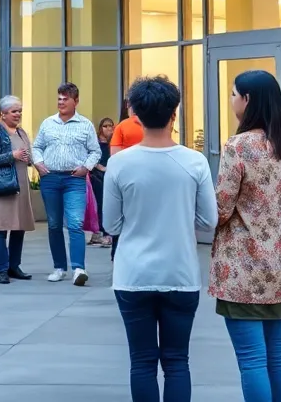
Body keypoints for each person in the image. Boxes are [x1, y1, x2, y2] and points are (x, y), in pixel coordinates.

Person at [103, 76, 216, 402]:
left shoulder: (119, 163)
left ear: (135, 113)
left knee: (141, 362)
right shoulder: (194, 161)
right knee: (178, 362)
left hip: (133, 275)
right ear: (174, 114)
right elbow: (209, 219)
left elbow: (111, 224)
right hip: (180, 274)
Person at [210, 70, 281, 402]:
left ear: (247, 100)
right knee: (277, 356)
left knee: (251, 361)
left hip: (242, 267)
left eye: (234, 94)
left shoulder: (238, 146)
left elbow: (220, 209)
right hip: (280, 263)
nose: (232, 100)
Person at [32, 82, 100, 286]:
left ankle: (79, 268)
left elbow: (95, 151)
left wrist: (86, 168)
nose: (61, 102)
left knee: (75, 223)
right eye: (59, 98)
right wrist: (38, 164)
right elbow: (37, 147)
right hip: (50, 179)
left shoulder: (85, 125)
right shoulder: (48, 123)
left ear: (76, 101)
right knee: (53, 224)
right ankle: (59, 268)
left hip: (75, 180)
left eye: (65, 99)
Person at [0, 95, 36, 284]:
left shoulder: (21, 133)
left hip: (20, 186)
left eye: (20, 111)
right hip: (2, 188)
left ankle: (15, 266)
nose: (18, 114)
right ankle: (1, 269)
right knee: (0, 228)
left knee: (18, 228)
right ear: (2, 114)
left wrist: (29, 159)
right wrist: (12, 155)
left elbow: (28, 157)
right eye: (14, 111)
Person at [108, 99, 144, 259]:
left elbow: (115, 157)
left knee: (122, 218)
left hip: (126, 179)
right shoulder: (153, 126)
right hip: (147, 179)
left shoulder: (122, 126)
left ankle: (117, 254)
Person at [90, 117, 115, 247]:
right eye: (105, 126)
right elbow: (90, 156)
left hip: (109, 176)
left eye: (110, 126)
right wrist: (100, 167)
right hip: (97, 176)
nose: (108, 129)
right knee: (98, 204)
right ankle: (99, 231)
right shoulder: (96, 143)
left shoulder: (114, 142)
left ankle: (107, 233)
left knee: (108, 204)